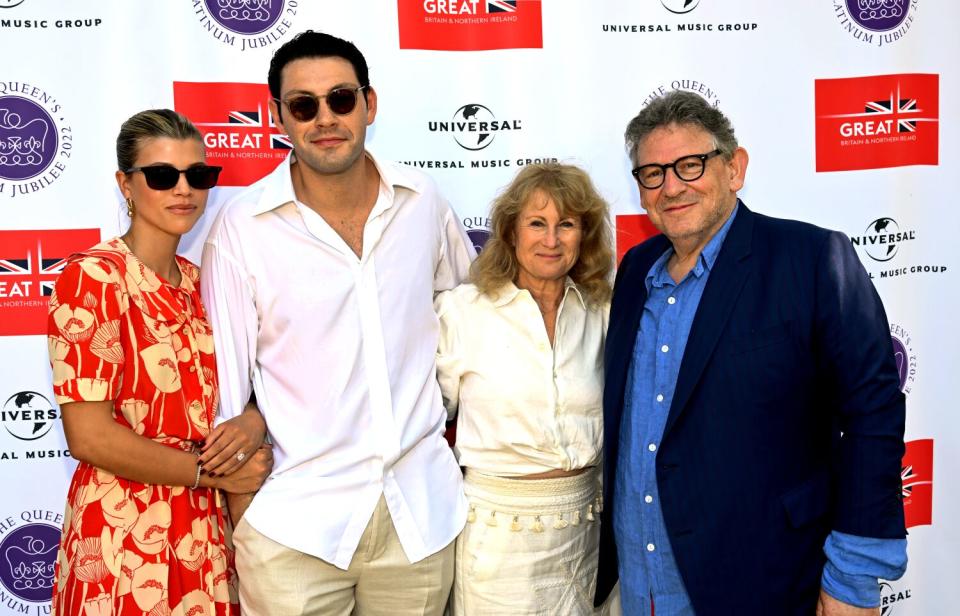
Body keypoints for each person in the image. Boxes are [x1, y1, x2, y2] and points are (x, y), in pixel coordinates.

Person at [594, 91, 907, 616]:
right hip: (642, 585)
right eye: (652, 173)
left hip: (766, 582)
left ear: (734, 168)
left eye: (690, 164)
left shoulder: (812, 261)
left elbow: (870, 418)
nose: (671, 186)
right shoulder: (635, 271)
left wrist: (853, 576)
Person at [200, 31, 475, 615]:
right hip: (294, 526)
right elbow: (226, 385)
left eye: (341, 99)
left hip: (418, 519)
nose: (325, 118)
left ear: (369, 104)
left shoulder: (423, 200)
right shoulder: (242, 226)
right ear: (279, 116)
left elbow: (465, 326)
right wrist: (247, 516)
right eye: (303, 105)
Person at [48, 109, 272, 616]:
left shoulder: (207, 281)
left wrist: (254, 421)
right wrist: (213, 476)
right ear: (125, 184)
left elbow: (260, 384)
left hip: (208, 531)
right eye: (162, 176)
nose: (183, 189)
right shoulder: (93, 279)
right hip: (122, 532)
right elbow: (89, 436)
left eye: (199, 175)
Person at [435, 163, 613, 615]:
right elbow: (426, 418)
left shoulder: (602, 310)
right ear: (511, 232)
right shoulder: (464, 312)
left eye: (566, 224)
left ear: (584, 235)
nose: (551, 240)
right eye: (537, 223)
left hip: (583, 533)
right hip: (497, 544)